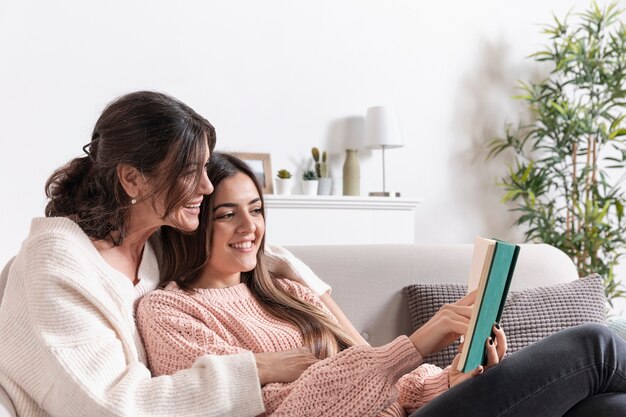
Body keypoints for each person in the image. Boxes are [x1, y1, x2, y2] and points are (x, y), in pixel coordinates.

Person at [137, 152, 626, 417]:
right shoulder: (170, 313)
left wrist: (453, 378)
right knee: (595, 345)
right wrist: (413, 345)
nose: (250, 228)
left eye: (257, 209)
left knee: (605, 408)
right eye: (227, 214)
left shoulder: (290, 293)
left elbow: (396, 387)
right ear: (193, 222)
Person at [0, 91, 349, 417]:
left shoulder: (156, 239)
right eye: (188, 172)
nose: (207, 186)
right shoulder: (58, 265)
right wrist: (260, 367)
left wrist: (357, 341)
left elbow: (265, 252)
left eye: (205, 167)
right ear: (132, 180)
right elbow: (109, 407)